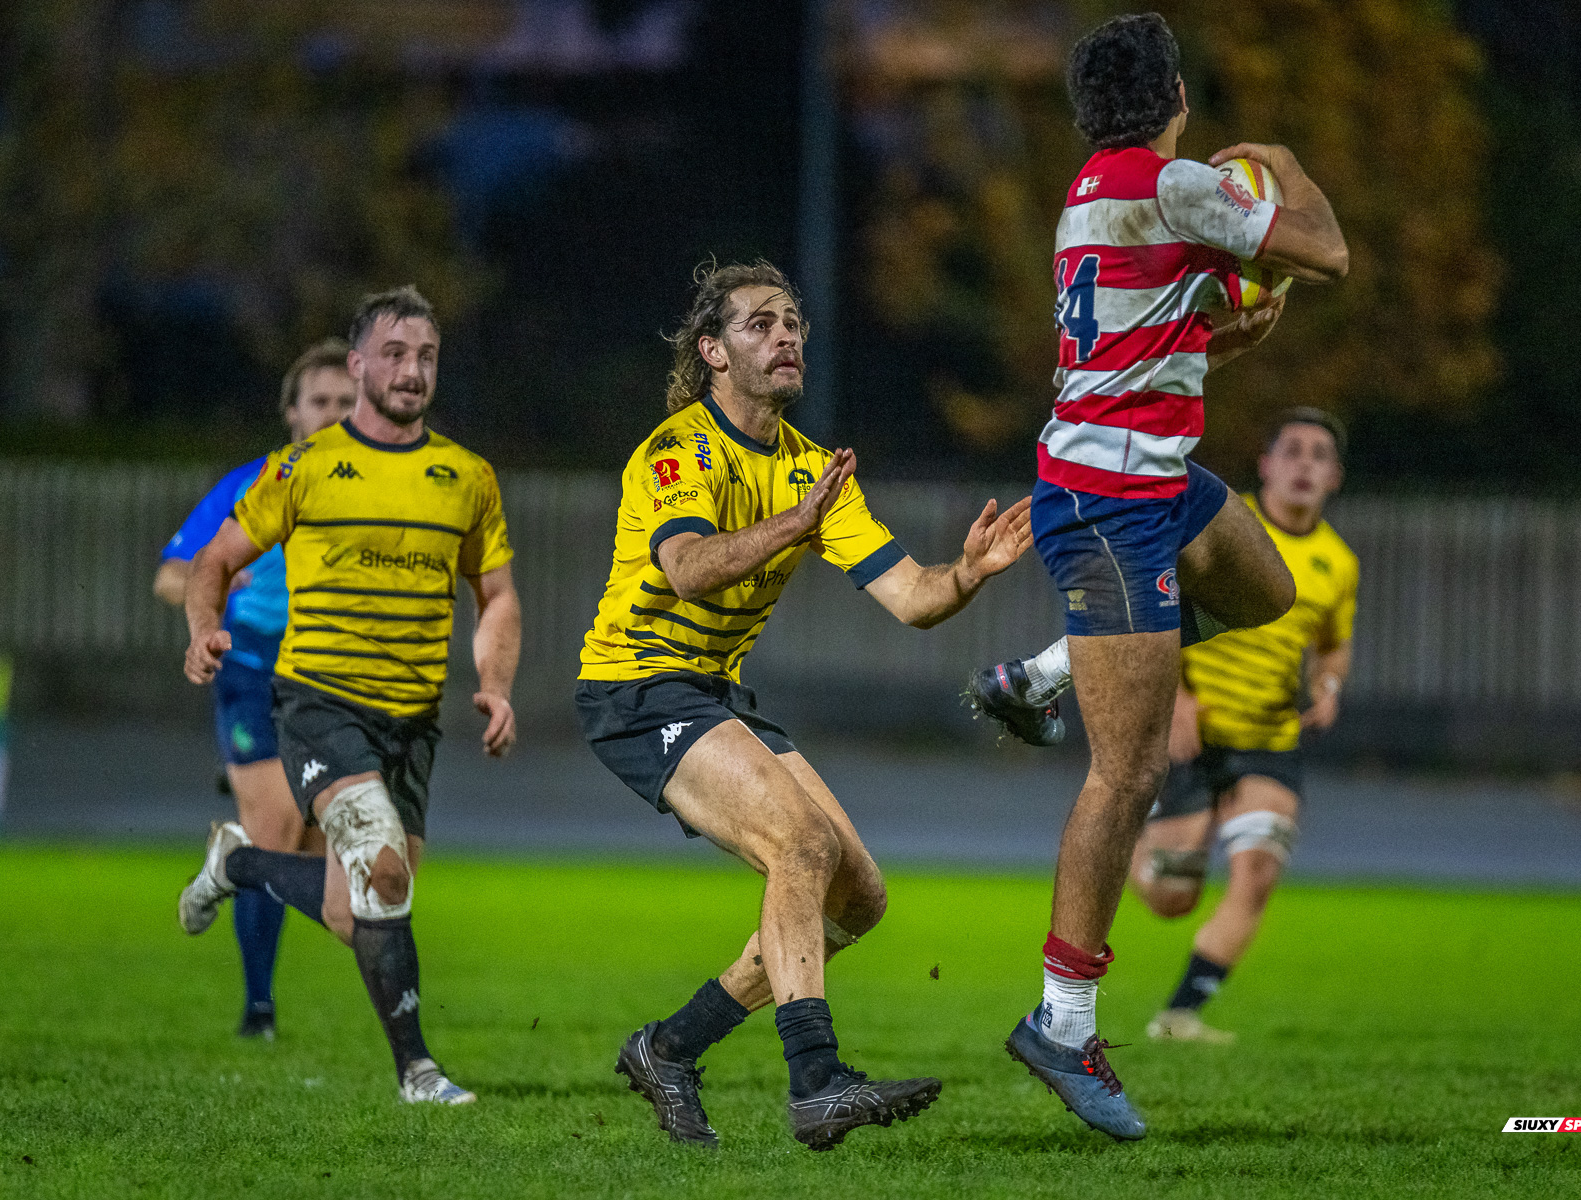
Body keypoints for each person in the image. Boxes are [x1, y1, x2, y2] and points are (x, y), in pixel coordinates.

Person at [961, 13, 1348, 1140]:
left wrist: (1234, 312)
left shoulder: (1095, 187)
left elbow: (1163, 333)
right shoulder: (1178, 184)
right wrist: (1277, 160)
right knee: (1124, 779)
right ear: (1174, 92)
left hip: (1147, 478)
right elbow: (1327, 248)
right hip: (1114, 505)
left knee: (1271, 594)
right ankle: (1062, 1022)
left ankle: (1039, 675)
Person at [578, 260, 1034, 1151]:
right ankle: (817, 1081)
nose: (786, 336)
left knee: (857, 899)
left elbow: (911, 597)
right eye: (759, 324)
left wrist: (967, 576)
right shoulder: (680, 449)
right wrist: (796, 524)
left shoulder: (815, 469)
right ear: (712, 351)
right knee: (805, 843)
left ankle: (668, 1048)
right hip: (635, 686)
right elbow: (689, 569)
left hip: (711, 692)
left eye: (793, 322)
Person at [174, 286, 522, 1105]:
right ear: (358, 363)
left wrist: (497, 684)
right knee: (386, 880)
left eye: (427, 356)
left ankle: (241, 863)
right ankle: (420, 1073)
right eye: (395, 354)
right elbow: (214, 561)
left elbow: (496, 594)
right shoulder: (303, 468)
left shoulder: (466, 477)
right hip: (320, 702)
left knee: (355, 909)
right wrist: (202, 629)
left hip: (414, 720)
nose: (412, 370)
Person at [1132, 409, 1357, 1044]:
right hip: (1193, 732)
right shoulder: (1228, 527)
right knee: (1171, 896)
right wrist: (1175, 696)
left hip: (1269, 740)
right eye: (1292, 449)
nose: (1305, 464)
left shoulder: (1338, 563)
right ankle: (1123, 832)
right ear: (1267, 466)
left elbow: (1334, 644)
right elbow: (1158, 599)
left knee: (1257, 870)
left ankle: (1179, 1016)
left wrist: (1330, 683)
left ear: (1334, 477)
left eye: (1319, 454)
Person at [153, 338, 354, 1039]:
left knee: (306, 851)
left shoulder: (373, 490)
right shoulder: (252, 484)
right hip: (252, 674)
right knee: (275, 827)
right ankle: (258, 1009)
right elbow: (172, 574)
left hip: (333, 678)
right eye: (321, 401)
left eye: (346, 402)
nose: (334, 413)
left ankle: (230, 864)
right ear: (292, 412)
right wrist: (217, 581)